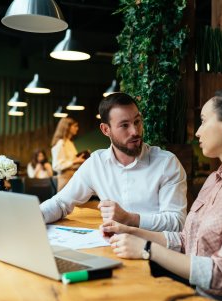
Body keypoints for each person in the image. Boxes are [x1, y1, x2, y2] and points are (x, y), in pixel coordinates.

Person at [101, 89, 222, 301]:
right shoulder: (214, 180)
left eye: (204, 121)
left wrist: (146, 250)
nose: (197, 131)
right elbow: (185, 240)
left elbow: (218, 273)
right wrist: (131, 232)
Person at [40, 92, 187, 232]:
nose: (135, 131)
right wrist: (33, 216)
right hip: (112, 246)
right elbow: (60, 203)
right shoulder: (96, 164)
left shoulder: (166, 163)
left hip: (154, 251)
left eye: (137, 121)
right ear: (105, 130)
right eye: (124, 125)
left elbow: (177, 222)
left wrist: (131, 219)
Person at [50, 117, 86, 191]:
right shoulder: (60, 143)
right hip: (65, 179)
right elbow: (56, 166)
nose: (77, 128)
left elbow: (71, 162)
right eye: (75, 126)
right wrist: (74, 161)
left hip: (73, 177)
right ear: (67, 127)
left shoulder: (70, 143)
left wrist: (81, 161)